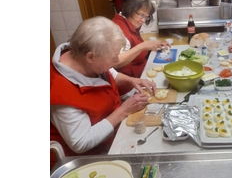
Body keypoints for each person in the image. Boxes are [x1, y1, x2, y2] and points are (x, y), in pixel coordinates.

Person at [50, 16, 157, 169]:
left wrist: (132, 81)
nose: (117, 61)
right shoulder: (59, 91)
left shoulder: (84, 57)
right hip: (84, 162)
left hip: (109, 139)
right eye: (113, 58)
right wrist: (123, 111)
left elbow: (111, 73)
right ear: (91, 57)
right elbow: (81, 143)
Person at [112, 0, 169, 78]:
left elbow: (133, 45)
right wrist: (143, 46)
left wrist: (152, 45)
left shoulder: (127, 21)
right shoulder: (119, 30)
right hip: (130, 80)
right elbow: (115, 62)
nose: (143, 20)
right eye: (141, 15)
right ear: (130, 9)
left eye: (146, 17)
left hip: (141, 70)